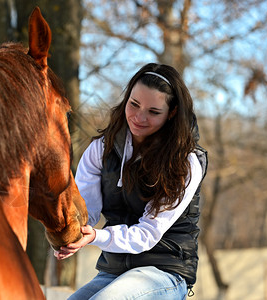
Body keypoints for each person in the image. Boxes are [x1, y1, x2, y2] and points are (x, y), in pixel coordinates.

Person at [55, 63, 208, 299]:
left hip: (164, 272)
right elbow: (86, 211)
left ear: (172, 113)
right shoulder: (101, 149)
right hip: (114, 270)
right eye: (134, 104)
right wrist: (69, 232)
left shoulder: (185, 163)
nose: (139, 117)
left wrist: (97, 237)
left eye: (153, 112)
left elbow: (147, 233)